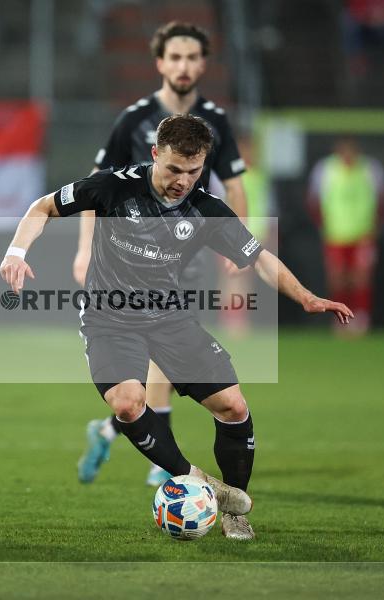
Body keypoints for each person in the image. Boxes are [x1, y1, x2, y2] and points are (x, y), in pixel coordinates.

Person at [0, 115, 353, 540]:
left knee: (233, 407)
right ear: (155, 154)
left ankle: (235, 511)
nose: (183, 181)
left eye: (193, 171)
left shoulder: (205, 209)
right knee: (127, 403)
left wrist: (306, 296)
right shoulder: (115, 186)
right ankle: (199, 480)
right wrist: (16, 251)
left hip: (170, 317)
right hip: (109, 319)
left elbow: (259, 257)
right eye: (173, 169)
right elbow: (43, 207)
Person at [74, 21, 249, 488]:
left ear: (203, 64)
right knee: (158, 356)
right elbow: (94, 188)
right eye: (175, 57)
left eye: (192, 57)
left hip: (188, 255)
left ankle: (115, 432)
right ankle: (162, 459)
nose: (183, 66)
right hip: (130, 259)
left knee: (168, 358)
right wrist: (85, 248)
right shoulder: (133, 119)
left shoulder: (215, 120)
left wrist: (239, 244)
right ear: (160, 63)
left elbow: (234, 186)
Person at [306, 137, 384, 335]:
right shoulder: (325, 170)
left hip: (363, 234)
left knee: (361, 277)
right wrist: (323, 226)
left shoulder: (371, 169)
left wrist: (377, 227)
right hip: (335, 234)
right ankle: (341, 318)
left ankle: (361, 317)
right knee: (338, 278)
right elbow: (313, 201)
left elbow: (383, 201)